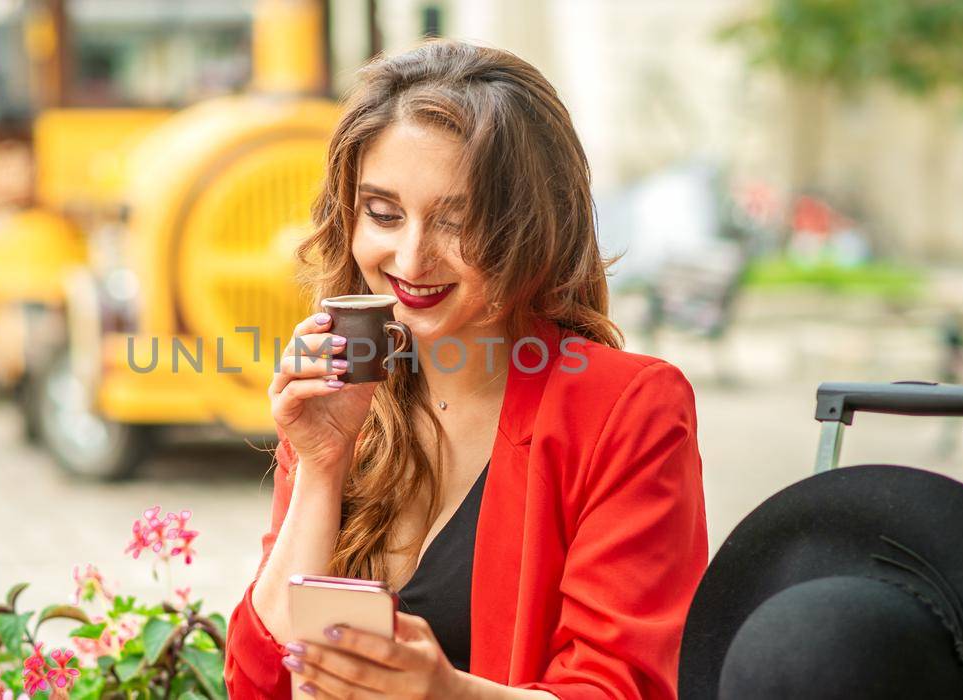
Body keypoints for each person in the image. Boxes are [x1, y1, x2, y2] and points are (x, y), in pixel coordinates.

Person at [225, 40, 708, 699]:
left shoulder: (626, 408)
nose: (412, 258)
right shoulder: (342, 395)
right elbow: (259, 684)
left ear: (534, 227)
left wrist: (448, 693)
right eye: (384, 214)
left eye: (458, 221)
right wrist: (320, 467)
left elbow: (625, 686)